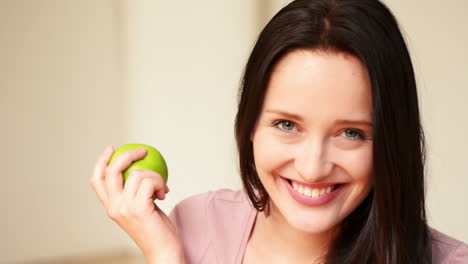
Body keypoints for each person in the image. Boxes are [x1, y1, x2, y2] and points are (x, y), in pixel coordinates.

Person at [90, 0, 468, 263]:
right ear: (251, 124)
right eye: (287, 125)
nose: (312, 167)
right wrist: (164, 256)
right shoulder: (195, 225)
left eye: (351, 133)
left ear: (391, 143)